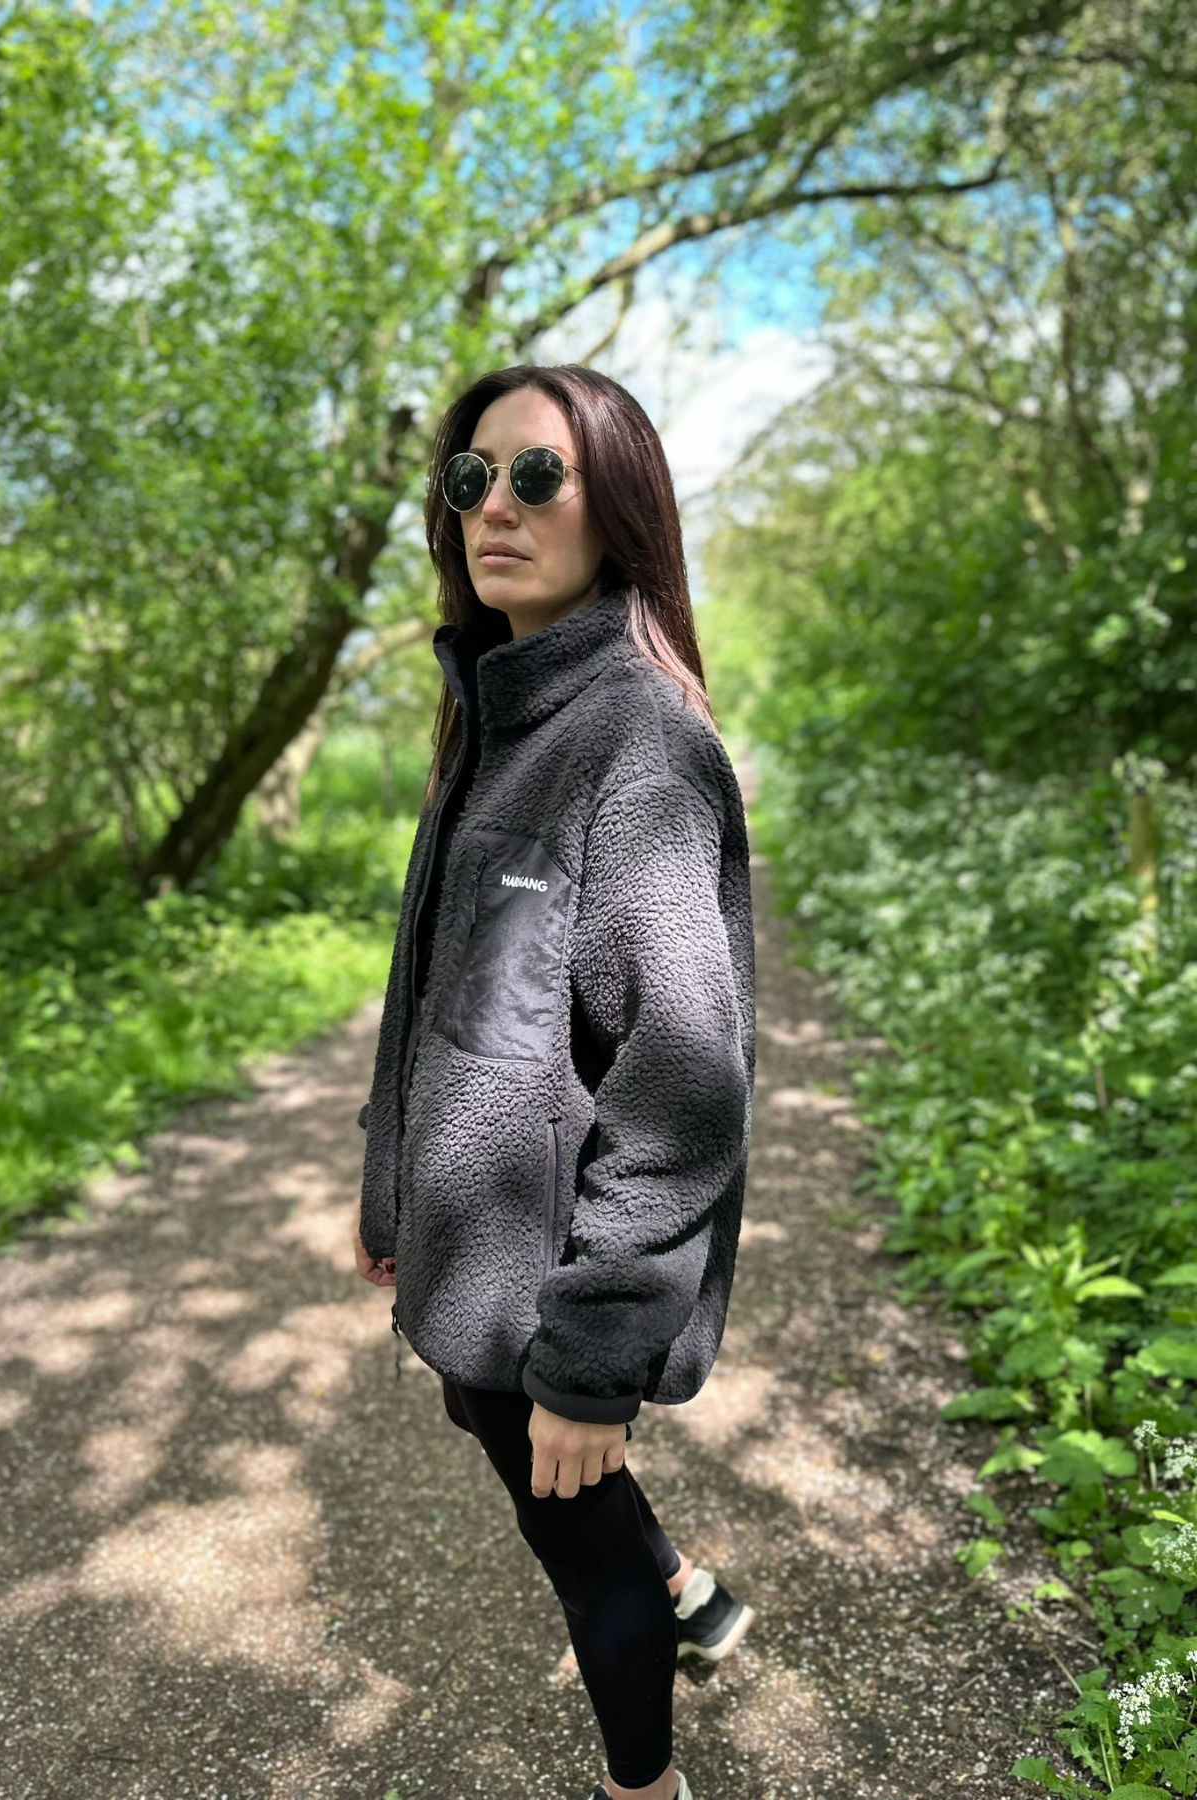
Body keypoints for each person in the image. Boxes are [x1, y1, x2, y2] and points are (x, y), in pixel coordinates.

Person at [352, 363, 757, 1800]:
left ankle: (645, 1784)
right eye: (471, 477)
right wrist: (390, 1182)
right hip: (472, 1257)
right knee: (508, 1436)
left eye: (538, 475)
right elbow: (439, 995)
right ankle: (694, 1591)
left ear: (620, 507)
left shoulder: (636, 743)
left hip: (552, 1282)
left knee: (578, 1543)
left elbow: (682, 1090)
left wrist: (593, 1364)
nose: (494, 507)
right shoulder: (492, 707)